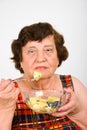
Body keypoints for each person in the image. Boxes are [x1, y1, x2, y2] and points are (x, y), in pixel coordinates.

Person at [0, 22, 87, 130]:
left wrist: (77, 111)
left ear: (58, 56)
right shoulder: (8, 93)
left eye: (48, 50)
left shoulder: (73, 85)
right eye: (31, 51)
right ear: (20, 60)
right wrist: (5, 109)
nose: (40, 58)